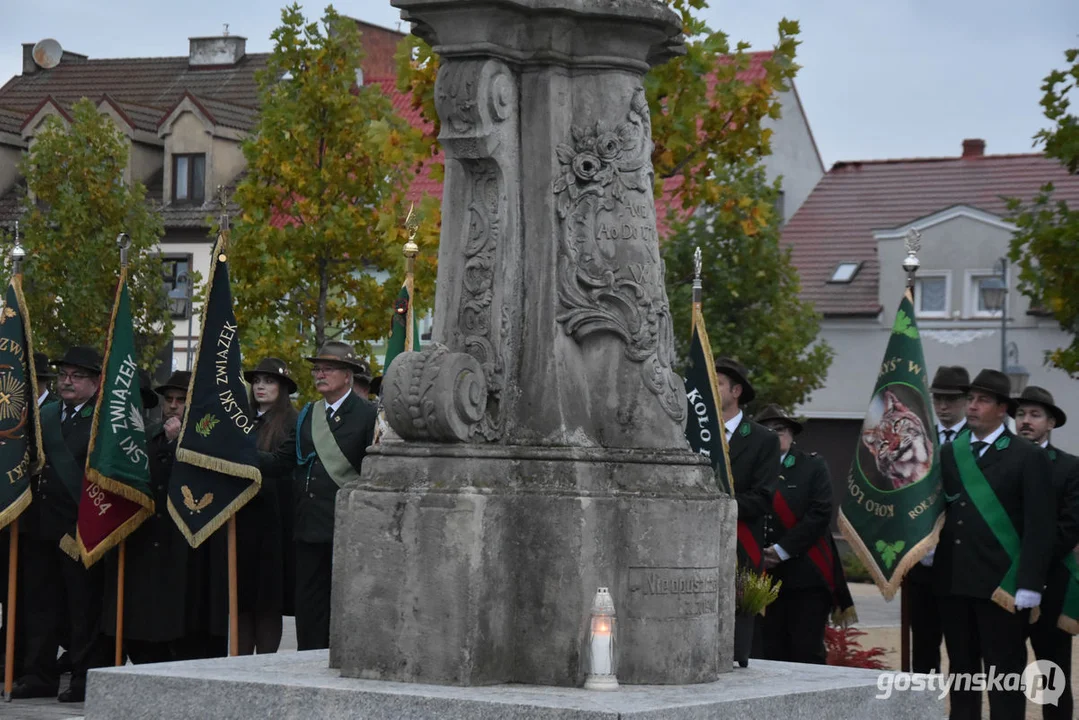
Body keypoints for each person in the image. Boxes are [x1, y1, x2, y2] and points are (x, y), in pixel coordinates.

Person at [932, 369, 1055, 720]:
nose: (972, 406)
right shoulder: (950, 453)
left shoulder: (1027, 456)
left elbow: (1040, 525)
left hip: (1002, 585)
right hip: (954, 581)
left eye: (982, 400)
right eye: (969, 399)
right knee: (962, 673)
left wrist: (1030, 583)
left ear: (1002, 409)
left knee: (1003, 676)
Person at [11, 346, 108, 702]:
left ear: (96, 382)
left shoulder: (103, 420)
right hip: (41, 525)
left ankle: (83, 676)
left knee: (82, 608)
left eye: (77, 375)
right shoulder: (45, 415)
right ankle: (38, 674)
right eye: (64, 374)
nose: (67, 381)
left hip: (81, 526)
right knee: (39, 604)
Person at [289, 341, 377, 650]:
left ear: (348, 375)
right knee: (309, 605)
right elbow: (285, 460)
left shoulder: (368, 415)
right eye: (317, 369)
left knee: (343, 603)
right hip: (309, 523)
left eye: (328, 369)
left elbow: (374, 472)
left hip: (347, 526)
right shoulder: (308, 414)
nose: (320, 374)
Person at [102, 369, 191, 664]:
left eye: (181, 399)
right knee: (141, 615)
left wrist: (178, 444)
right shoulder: (148, 436)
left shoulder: (201, 441)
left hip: (181, 541)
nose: (174, 405)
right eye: (169, 399)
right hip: (146, 535)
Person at [758, 405, 853, 664]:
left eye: (781, 430)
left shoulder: (811, 465)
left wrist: (780, 551)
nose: (775, 435)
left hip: (806, 576)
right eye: (767, 430)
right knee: (768, 653)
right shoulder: (753, 469)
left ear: (791, 434)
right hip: (763, 579)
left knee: (805, 653)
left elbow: (820, 513)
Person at [1014, 386, 1079, 720]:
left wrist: (1030, 565)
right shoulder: (996, 462)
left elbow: (1069, 528)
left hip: (1050, 588)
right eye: (1021, 414)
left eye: (1035, 415)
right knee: (1004, 677)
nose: (1026, 421)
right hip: (1002, 587)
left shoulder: (1069, 468)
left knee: (1053, 676)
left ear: (1050, 422)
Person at [907, 365, 971, 674]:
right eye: (938, 399)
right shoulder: (919, 437)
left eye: (951, 399)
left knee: (963, 650)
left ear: (966, 401)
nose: (943, 406)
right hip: (922, 560)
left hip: (962, 561)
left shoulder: (976, 441)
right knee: (923, 646)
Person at [237, 357, 296, 652]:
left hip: (273, 521)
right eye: (257, 381)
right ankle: (240, 663)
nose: (261, 386)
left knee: (268, 601)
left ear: (282, 388)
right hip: (240, 517)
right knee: (241, 598)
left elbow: (282, 466)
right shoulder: (240, 418)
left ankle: (265, 664)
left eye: (269, 381)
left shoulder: (291, 421)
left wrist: (240, 451)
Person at [713, 358, 780, 571]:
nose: (711, 388)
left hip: (740, 548)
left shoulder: (763, 439)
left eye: (718, 383)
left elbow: (762, 498)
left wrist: (715, 505)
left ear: (736, 391)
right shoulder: (694, 433)